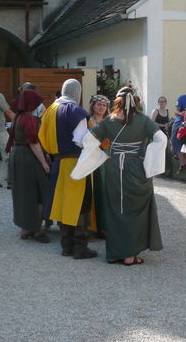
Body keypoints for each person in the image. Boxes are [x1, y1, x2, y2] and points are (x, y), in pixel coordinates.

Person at [72, 86, 166, 266]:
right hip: (135, 168)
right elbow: (161, 139)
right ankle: (130, 255)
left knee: (115, 209)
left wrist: (102, 156)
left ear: (117, 102)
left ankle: (115, 253)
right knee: (134, 209)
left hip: (114, 167)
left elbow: (87, 140)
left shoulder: (109, 120)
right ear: (136, 102)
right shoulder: (144, 121)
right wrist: (149, 160)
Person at [39, 79, 97, 259]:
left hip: (58, 163)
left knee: (64, 203)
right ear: (77, 93)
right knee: (79, 205)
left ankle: (66, 246)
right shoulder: (75, 111)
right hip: (75, 163)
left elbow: (42, 136)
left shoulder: (50, 110)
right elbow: (83, 140)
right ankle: (80, 247)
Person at [8, 89, 51, 243]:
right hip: (28, 157)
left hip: (17, 156)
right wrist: (44, 163)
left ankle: (25, 229)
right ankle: (38, 229)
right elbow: (33, 143)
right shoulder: (29, 119)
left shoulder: (17, 117)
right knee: (38, 192)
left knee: (22, 193)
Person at [88, 94, 111, 238]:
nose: (101, 107)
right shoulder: (88, 121)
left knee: (106, 192)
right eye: (99, 105)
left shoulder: (110, 121)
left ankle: (104, 227)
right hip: (93, 158)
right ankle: (91, 227)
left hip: (107, 158)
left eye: (104, 105)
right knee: (93, 191)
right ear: (93, 106)